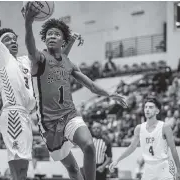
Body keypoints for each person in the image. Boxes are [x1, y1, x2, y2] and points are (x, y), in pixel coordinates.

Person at [24, 3, 127, 180]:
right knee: (72, 169)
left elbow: (92, 86)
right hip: (49, 123)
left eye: (56, 34)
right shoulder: (39, 58)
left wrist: (110, 94)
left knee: (88, 145)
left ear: (62, 40)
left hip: (70, 115)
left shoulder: (68, 63)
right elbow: (30, 45)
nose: (52, 36)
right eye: (49, 34)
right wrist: (28, 22)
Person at [0, 13, 83, 180]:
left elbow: (56, 62)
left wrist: (69, 42)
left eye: (14, 39)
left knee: (22, 171)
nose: (13, 41)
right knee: (20, 171)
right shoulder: (1, 56)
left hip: (29, 115)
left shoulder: (26, 60)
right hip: (14, 113)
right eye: (7, 39)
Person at [109, 96, 180, 180]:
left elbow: (173, 149)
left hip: (163, 166)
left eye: (151, 107)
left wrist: (179, 170)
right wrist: (117, 160)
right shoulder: (139, 128)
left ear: (157, 111)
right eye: (146, 107)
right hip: (148, 167)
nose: (147, 109)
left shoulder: (164, 127)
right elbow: (132, 147)